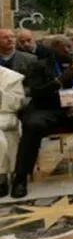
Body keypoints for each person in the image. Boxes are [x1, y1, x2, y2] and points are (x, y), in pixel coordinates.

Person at [9, 36, 73, 199]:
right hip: (47, 109)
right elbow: (36, 93)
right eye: (64, 47)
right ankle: (21, 177)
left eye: (70, 46)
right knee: (32, 124)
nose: (69, 50)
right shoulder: (39, 66)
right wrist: (61, 79)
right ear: (53, 49)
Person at [0, 65, 24, 198]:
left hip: (5, 114)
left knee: (4, 132)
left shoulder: (10, 77)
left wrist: (1, 94)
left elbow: (17, 104)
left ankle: (4, 175)